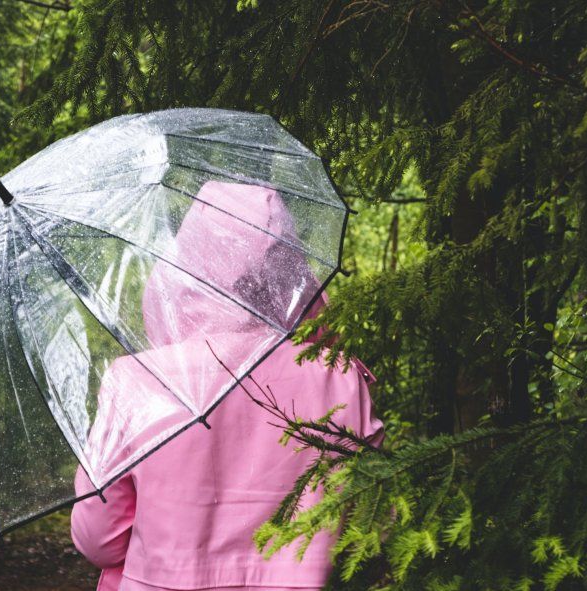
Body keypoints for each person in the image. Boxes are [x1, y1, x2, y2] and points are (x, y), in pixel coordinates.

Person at [70, 180, 383, 591]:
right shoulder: (338, 376)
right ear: (291, 267)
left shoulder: (138, 382)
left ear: (188, 260)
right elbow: (370, 521)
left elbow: (99, 541)